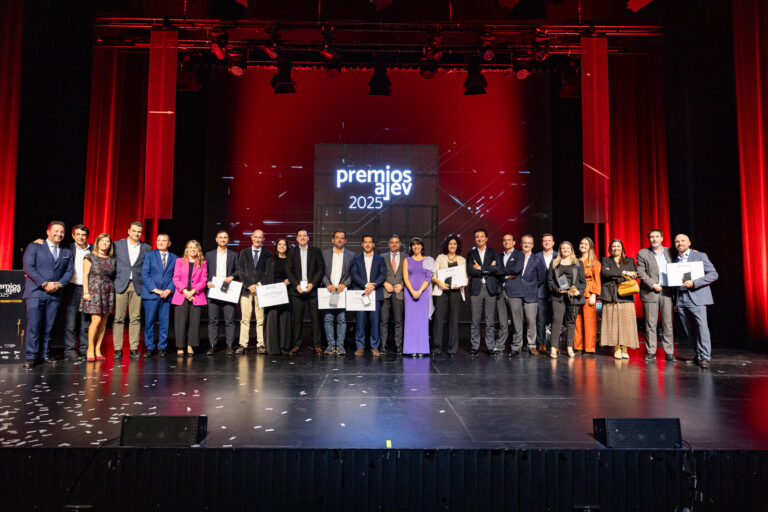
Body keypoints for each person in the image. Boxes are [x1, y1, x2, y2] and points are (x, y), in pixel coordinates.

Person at [22, 221, 74, 368]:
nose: (59, 234)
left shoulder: (67, 252)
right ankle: (31, 356)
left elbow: (69, 271)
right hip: (36, 292)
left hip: (55, 294)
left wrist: (59, 284)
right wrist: (45, 284)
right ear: (48, 232)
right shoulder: (34, 247)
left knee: (49, 326)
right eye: (56, 230)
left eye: (62, 231)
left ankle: (44, 354)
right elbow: (28, 267)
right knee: (34, 325)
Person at [673, 233, 718, 369]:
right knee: (688, 329)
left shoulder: (700, 256)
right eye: (677, 241)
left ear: (689, 243)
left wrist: (694, 283)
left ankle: (704, 356)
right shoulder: (674, 261)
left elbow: (713, 274)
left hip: (697, 296)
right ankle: (698, 354)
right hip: (681, 298)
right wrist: (675, 301)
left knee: (701, 327)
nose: (680, 243)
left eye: (683, 240)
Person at [112, 221, 151, 360]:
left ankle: (133, 348)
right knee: (118, 318)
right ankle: (117, 349)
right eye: (134, 231)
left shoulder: (147, 248)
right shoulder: (117, 245)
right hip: (120, 284)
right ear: (128, 231)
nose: (136, 234)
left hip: (138, 285)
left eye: (139, 232)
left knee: (135, 317)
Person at [636, 229, 676, 362]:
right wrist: (652, 284)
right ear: (649, 239)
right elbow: (640, 272)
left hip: (667, 292)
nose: (654, 239)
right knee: (650, 324)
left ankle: (669, 352)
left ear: (662, 238)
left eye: (657, 236)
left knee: (667, 324)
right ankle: (651, 351)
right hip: (650, 292)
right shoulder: (643, 253)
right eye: (652, 237)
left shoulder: (670, 252)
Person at [285, 228, 324, 355]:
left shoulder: (316, 251)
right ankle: (296, 345)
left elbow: (321, 269)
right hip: (297, 291)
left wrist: (312, 284)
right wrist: (296, 285)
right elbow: (288, 270)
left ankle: (317, 345)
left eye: (304, 235)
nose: (302, 237)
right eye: (300, 235)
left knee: (316, 319)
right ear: (297, 238)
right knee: (296, 320)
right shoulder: (291, 252)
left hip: (312, 290)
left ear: (308, 238)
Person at [600, 239, 640, 359]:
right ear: (610, 249)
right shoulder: (605, 260)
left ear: (622, 248)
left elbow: (633, 276)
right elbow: (605, 273)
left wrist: (616, 277)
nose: (616, 248)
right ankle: (616, 348)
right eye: (613, 246)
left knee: (626, 323)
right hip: (610, 295)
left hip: (626, 295)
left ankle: (624, 348)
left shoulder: (629, 260)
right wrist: (624, 272)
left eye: (618, 246)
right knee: (613, 323)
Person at [80, 233, 116, 361]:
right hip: (94, 290)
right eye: (102, 241)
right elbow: (85, 275)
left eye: (107, 241)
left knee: (104, 322)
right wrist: (86, 292)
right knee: (96, 320)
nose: (104, 243)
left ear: (110, 244)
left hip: (108, 290)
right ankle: (90, 349)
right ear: (97, 242)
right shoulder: (90, 257)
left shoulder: (112, 259)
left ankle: (98, 349)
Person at [547, 241, 586, 358]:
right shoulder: (554, 263)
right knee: (556, 320)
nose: (565, 250)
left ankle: (569, 347)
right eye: (563, 248)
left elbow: (582, 282)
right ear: (560, 250)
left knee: (571, 322)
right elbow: (550, 281)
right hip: (558, 296)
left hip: (573, 296)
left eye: (567, 248)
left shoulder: (578, 263)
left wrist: (579, 291)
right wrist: (557, 289)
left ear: (571, 249)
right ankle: (553, 347)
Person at [140, 233, 177, 358]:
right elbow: (145, 274)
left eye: (164, 240)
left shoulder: (174, 258)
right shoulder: (149, 255)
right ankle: (149, 347)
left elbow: (176, 276)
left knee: (164, 322)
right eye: (158, 240)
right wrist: (155, 290)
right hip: (151, 294)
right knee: (149, 322)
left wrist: (169, 289)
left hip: (166, 295)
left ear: (169, 243)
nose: (160, 242)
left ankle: (162, 347)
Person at [466, 228, 502, 356]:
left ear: (486, 238)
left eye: (481, 236)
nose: (479, 239)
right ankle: (475, 347)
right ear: (475, 239)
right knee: (475, 320)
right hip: (476, 289)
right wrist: (488, 269)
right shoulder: (471, 254)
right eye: (477, 237)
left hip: (490, 289)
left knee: (489, 321)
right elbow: (471, 270)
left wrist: (480, 268)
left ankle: (490, 347)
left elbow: (497, 268)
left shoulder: (493, 252)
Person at [350, 235, 387, 356]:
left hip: (375, 293)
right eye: (365, 242)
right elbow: (354, 275)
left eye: (369, 242)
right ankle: (360, 346)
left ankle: (374, 346)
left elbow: (383, 275)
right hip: (361, 293)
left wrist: (372, 286)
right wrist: (366, 285)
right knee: (360, 321)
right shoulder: (356, 259)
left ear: (373, 244)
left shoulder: (380, 259)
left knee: (375, 321)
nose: (367, 244)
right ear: (362, 244)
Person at [236, 230, 272, 354]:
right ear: (251, 237)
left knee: (260, 319)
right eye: (255, 237)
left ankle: (261, 344)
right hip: (246, 290)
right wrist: (249, 285)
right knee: (245, 319)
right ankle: (243, 344)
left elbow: (268, 273)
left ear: (263, 239)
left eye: (260, 237)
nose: (257, 239)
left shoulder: (268, 254)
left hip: (261, 290)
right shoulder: (244, 252)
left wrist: (258, 285)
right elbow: (241, 271)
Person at [431, 235, 467, 356]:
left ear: (457, 246)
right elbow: (433, 274)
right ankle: (436, 348)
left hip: (456, 292)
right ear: (447, 245)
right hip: (441, 291)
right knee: (438, 319)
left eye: (454, 244)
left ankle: (452, 349)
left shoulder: (462, 260)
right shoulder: (440, 257)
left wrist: (460, 284)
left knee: (454, 320)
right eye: (450, 243)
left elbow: (465, 278)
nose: (452, 246)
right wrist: (440, 283)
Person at [205, 230, 239, 355]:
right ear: (216, 239)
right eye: (220, 237)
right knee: (213, 320)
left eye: (225, 237)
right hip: (214, 290)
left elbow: (238, 270)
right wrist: (207, 281)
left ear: (228, 240)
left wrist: (232, 276)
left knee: (229, 320)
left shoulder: (234, 255)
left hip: (228, 291)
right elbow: (204, 271)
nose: (223, 239)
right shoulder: (209, 255)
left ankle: (229, 345)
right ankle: (212, 345)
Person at [172, 240, 208, 357]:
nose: (193, 249)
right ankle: (180, 346)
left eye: (195, 247)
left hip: (196, 296)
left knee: (194, 322)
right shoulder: (179, 261)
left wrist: (193, 291)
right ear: (186, 249)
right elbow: (176, 278)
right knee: (180, 322)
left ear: (198, 250)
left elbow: (204, 280)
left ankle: (190, 345)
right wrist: (185, 291)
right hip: (181, 295)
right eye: (190, 247)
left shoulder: (203, 263)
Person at [321, 230, 354, 355]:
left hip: (342, 291)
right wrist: (327, 284)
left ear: (345, 240)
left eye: (342, 238)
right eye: (337, 237)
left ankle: (340, 346)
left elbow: (352, 273)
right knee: (328, 319)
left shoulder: (351, 255)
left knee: (342, 319)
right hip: (329, 291)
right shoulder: (324, 254)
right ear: (333, 240)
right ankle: (330, 345)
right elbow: (321, 271)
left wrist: (345, 284)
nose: (339, 240)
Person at [512, 234, 546, 356]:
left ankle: (532, 345)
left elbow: (541, 277)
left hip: (531, 294)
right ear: (520, 244)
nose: (526, 245)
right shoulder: (515, 257)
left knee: (531, 321)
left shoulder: (537, 260)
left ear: (532, 245)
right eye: (524, 242)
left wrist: (532, 286)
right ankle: (517, 345)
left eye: (529, 243)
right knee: (517, 321)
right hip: (516, 293)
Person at [63, 224, 91, 361]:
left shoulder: (93, 249)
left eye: (83, 235)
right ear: (73, 235)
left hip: (88, 290)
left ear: (87, 236)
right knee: (71, 322)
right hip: (72, 288)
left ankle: (84, 350)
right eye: (78, 234)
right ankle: (69, 351)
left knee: (86, 322)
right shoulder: (67, 248)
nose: (81, 237)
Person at [402, 237, 434, 356]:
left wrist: (419, 291)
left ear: (422, 246)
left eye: (418, 244)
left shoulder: (428, 260)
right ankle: (410, 349)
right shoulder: (407, 260)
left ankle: (422, 349)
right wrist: (412, 291)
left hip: (423, 293)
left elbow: (428, 277)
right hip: (409, 293)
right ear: (411, 247)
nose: (416, 247)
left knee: (422, 321)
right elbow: (405, 277)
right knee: (410, 321)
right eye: (414, 245)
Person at [495, 233, 525, 356]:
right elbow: (495, 271)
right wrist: (506, 275)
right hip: (500, 291)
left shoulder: (519, 254)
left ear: (514, 242)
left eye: (509, 240)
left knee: (517, 321)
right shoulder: (499, 256)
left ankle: (516, 347)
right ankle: (500, 345)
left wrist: (500, 272)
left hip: (515, 292)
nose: (506, 242)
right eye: (504, 240)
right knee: (502, 322)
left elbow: (516, 269)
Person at [263, 238, 293, 355]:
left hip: (287, 292)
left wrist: (290, 279)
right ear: (276, 246)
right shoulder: (270, 260)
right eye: (279, 244)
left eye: (284, 244)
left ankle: (284, 347)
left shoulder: (291, 260)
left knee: (284, 320)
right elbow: (266, 276)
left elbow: (295, 274)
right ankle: (273, 348)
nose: (282, 246)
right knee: (272, 319)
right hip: (273, 292)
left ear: (287, 247)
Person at [574, 237, 601, 356]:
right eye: (581, 243)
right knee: (577, 321)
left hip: (588, 293)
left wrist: (594, 295)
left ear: (590, 247)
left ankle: (589, 348)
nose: (583, 245)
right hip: (577, 293)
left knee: (589, 322)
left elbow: (597, 280)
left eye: (586, 244)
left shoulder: (594, 262)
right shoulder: (576, 261)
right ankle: (578, 347)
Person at [379, 234, 406, 354]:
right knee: (383, 321)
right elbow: (377, 273)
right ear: (388, 244)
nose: (394, 244)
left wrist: (402, 285)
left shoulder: (406, 258)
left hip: (399, 292)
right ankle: (383, 345)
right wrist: (384, 283)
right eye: (392, 242)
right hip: (385, 292)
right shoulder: (382, 257)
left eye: (396, 242)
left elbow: (409, 275)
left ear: (399, 244)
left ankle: (398, 345)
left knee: (398, 321)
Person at [536, 233, 556, 352]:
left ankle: (554, 344)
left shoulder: (559, 255)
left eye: (549, 240)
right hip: (541, 292)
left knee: (556, 319)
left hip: (555, 293)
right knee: (541, 319)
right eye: (544, 241)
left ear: (553, 243)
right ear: (542, 243)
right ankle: (541, 343)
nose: (547, 242)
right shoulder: (536, 256)